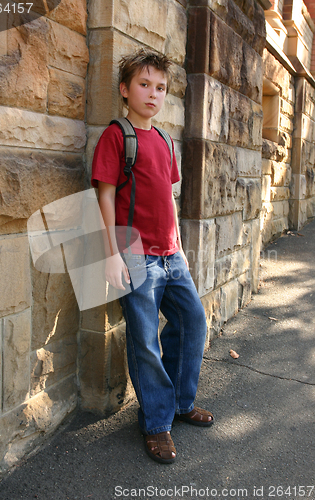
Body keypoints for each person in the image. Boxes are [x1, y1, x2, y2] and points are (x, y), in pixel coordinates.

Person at [91, 48, 214, 464]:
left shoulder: (165, 140)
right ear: (125, 91)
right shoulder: (116, 136)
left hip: (171, 255)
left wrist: (177, 240)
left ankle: (181, 402)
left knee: (193, 320)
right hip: (134, 256)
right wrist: (111, 254)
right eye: (144, 85)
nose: (153, 93)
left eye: (160, 88)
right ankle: (157, 423)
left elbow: (169, 195)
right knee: (145, 340)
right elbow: (105, 197)